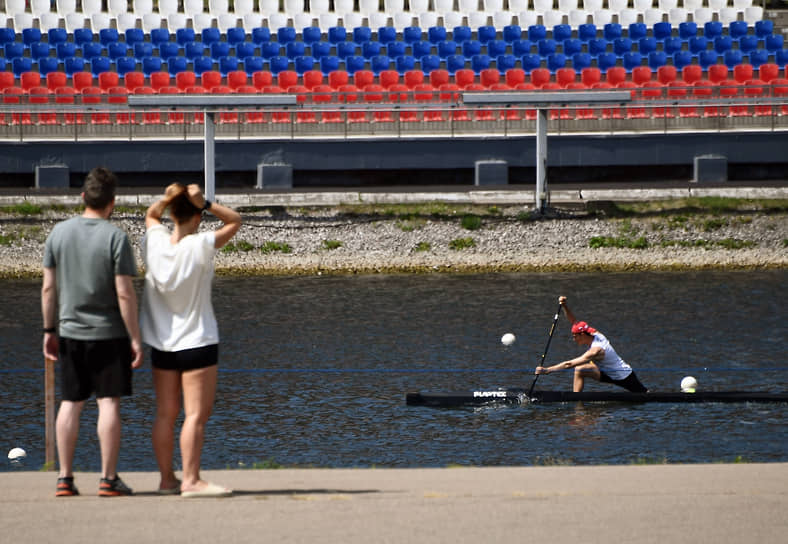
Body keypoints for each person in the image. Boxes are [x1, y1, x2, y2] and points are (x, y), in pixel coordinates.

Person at [41, 167, 143, 497]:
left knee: (70, 403)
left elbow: (48, 289)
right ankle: (108, 478)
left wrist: (49, 329)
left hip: (71, 332)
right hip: (109, 333)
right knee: (108, 403)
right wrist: (135, 337)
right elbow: (125, 292)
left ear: (83, 197)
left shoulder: (58, 233)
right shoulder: (116, 238)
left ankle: (65, 478)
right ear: (112, 203)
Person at [140, 183, 241, 498]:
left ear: (172, 213)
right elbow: (235, 221)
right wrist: (207, 202)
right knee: (195, 415)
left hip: (162, 344)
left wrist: (169, 198)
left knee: (165, 414)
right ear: (197, 218)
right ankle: (191, 480)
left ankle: (167, 479)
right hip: (197, 341)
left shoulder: (153, 242)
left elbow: (150, 215)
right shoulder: (200, 245)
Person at [534, 296, 648, 393]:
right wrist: (564, 306)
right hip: (605, 373)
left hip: (624, 376)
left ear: (583, 334)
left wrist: (548, 370)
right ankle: (576, 399)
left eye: (575, 336)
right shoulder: (593, 333)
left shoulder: (596, 350)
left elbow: (569, 364)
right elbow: (574, 321)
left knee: (643, 394)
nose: (574, 339)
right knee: (580, 370)